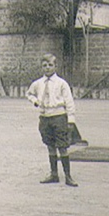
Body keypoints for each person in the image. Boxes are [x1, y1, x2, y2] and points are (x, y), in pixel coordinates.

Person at [26, 53, 78, 187]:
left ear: (55, 66)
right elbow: (29, 93)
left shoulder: (61, 83)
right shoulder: (38, 83)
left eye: (50, 65)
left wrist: (71, 120)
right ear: (41, 67)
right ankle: (54, 174)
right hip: (45, 118)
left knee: (62, 146)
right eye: (44, 65)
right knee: (50, 145)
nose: (47, 68)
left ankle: (68, 176)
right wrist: (35, 101)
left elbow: (69, 102)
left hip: (59, 116)